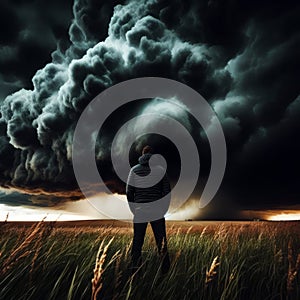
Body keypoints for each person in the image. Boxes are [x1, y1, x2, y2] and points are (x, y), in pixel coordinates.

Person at [126, 145, 171, 275]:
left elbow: (129, 192)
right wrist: (163, 210)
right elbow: (166, 192)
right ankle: (165, 273)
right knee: (162, 243)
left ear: (142, 155)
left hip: (140, 211)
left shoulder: (134, 170)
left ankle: (135, 272)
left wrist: (134, 209)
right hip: (157, 211)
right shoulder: (161, 170)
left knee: (137, 243)